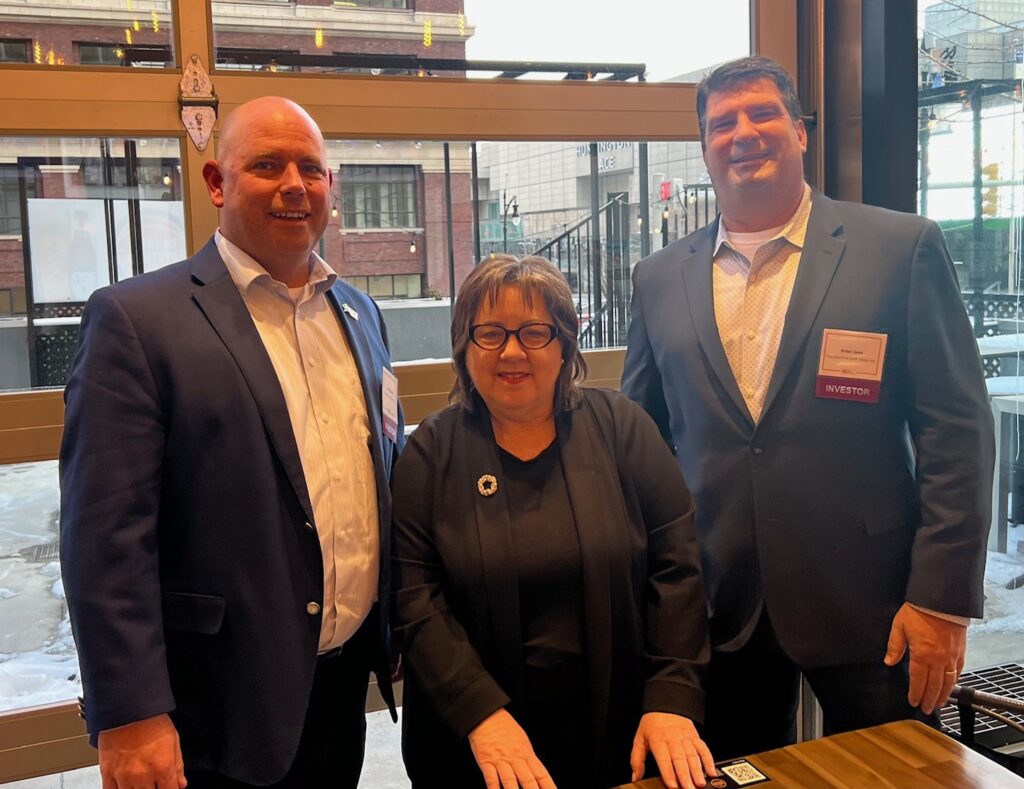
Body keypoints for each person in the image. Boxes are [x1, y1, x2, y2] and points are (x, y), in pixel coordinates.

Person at [621, 55, 995, 760]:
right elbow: (642, 444)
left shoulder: (898, 248)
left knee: (902, 775)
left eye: (762, 113)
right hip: (718, 606)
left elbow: (957, 429)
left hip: (874, 605)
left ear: (799, 131)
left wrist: (941, 597)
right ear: (705, 148)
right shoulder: (658, 279)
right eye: (722, 123)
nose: (744, 133)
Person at [59, 96, 403, 788]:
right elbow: (105, 538)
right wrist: (130, 712)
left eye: (311, 168)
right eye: (267, 165)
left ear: (331, 189)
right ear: (217, 182)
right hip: (210, 713)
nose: (294, 185)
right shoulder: (137, 321)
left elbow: (373, 476)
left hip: (337, 694)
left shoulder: (361, 314)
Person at [392, 255, 713, 789]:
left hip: (622, 730)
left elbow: (677, 569)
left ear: (564, 344)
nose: (512, 351)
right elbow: (413, 597)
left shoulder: (623, 429)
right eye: (489, 333)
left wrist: (672, 698)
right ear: (464, 347)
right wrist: (478, 713)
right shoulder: (431, 451)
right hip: (476, 742)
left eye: (534, 332)